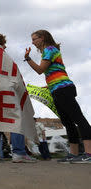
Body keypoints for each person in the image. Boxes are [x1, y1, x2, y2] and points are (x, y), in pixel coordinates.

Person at [24, 29, 91, 164]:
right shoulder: (48, 51)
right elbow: (56, 71)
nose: (32, 42)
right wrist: (49, 86)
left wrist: (28, 58)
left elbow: (40, 70)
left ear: (42, 38)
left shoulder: (49, 49)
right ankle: (73, 154)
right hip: (57, 88)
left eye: (34, 39)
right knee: (68, 122)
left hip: (63, 88)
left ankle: (89, 153)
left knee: (79, 119)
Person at [0, 32, 37, 163]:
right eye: (4, 44)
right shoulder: (3, 56)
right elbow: (13, 74)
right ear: (0, 43)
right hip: (6, 89)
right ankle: (19, 153)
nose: (6, 47)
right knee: (15, 120)